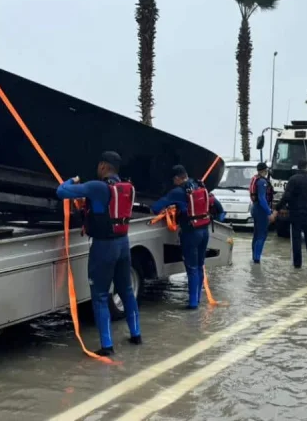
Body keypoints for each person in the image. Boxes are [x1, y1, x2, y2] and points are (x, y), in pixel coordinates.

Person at [56, 151, 141, 356]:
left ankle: (107, 346)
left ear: (103, 166)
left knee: (101, 295)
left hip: (103, 247)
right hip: (123, 243)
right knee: (127, 291)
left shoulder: (97, 187)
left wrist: (72, 179)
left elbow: (61, 192)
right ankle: (136, 335)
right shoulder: (128, 188)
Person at [151, 165, 225, 309]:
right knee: (199, 266)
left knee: (191, 268)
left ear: (178, 178)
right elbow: (217, 206)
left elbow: (155, 208)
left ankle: (192, 304)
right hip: (205, 231)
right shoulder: (199, 185)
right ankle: (197, 298)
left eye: (174, 179)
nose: (173, 182)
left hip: (190, 233)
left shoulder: (177, 192)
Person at [275, 160, 307, 268]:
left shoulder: (293, 179)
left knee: (296, 239)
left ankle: (297, 265)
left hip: (295, 213)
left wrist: (277, 208)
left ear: (297, 167)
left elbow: (286, 196)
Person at [249, 162, 274, 264]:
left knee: (256, 234)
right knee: (262, 235)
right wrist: (269, 212)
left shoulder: (256, 179)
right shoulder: (262, 182)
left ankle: (254, 256)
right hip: (261, 210)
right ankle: (257, 259)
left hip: (255, 208)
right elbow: (262, 198)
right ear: (264, 170)